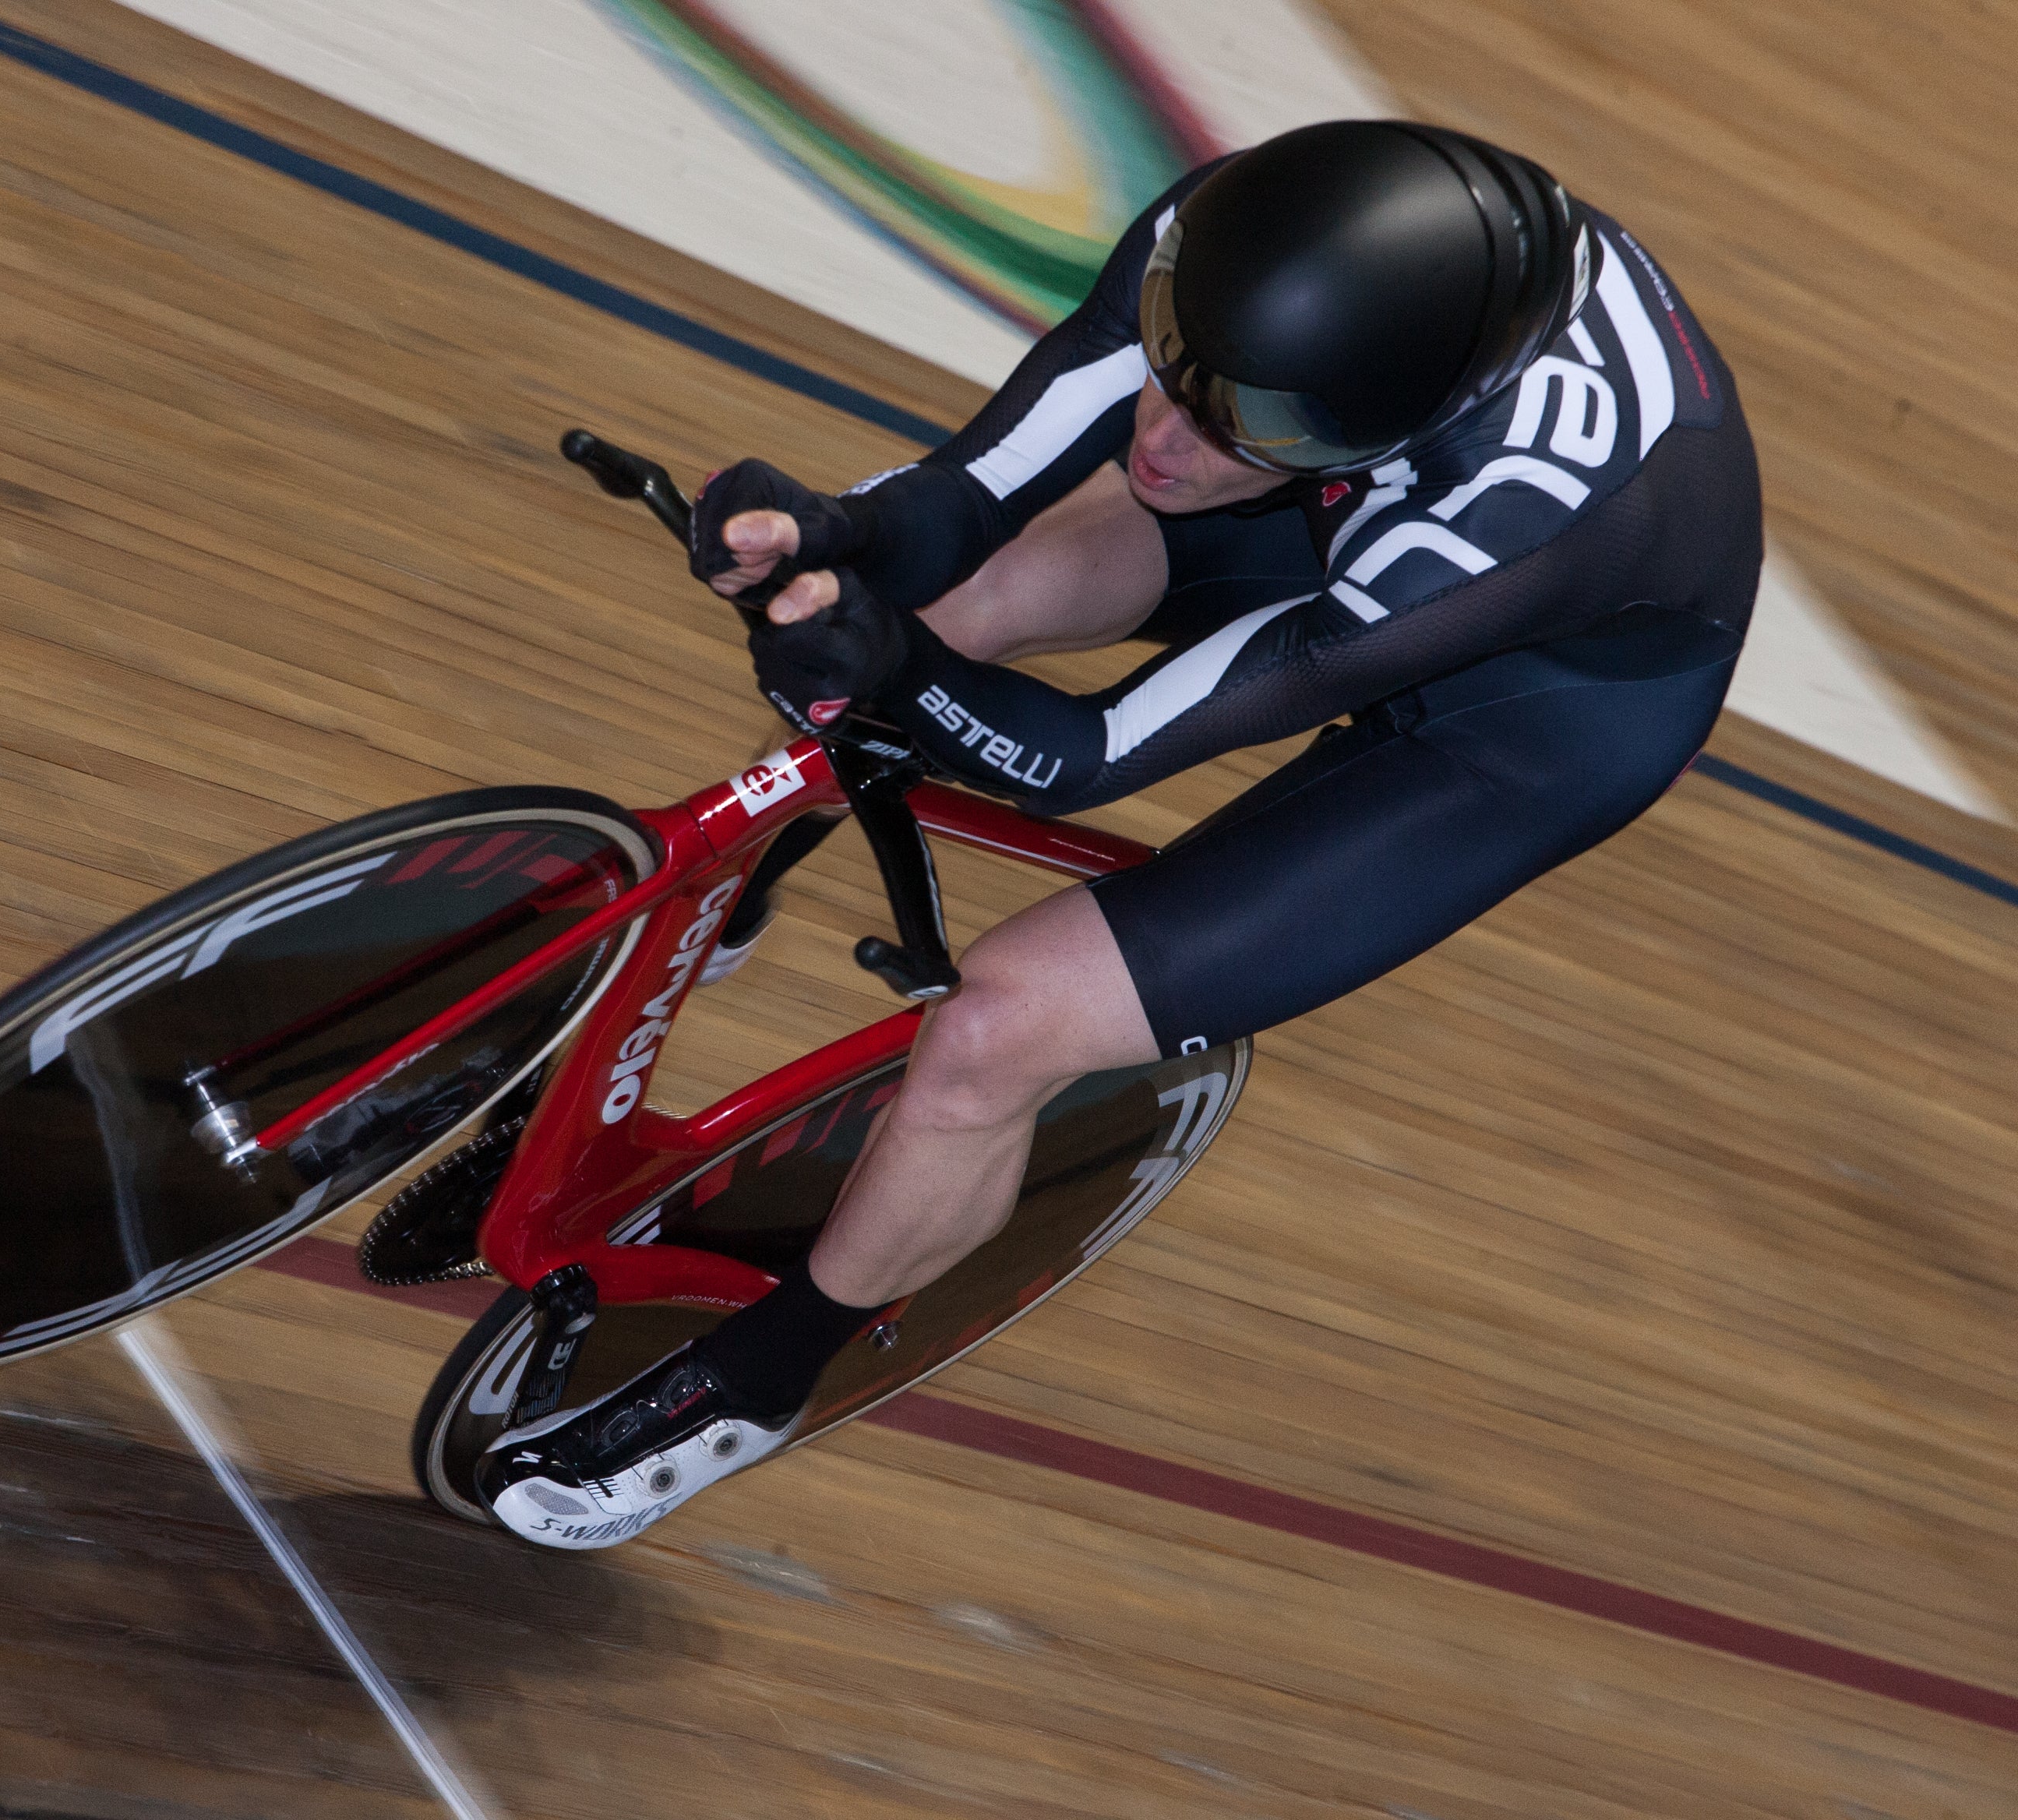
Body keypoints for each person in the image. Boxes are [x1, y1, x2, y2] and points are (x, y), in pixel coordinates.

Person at [482, 119, 1761, 1549]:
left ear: (1371, 427)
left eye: (1239, 423)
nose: (1160, 442)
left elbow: (1090, 756)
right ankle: (749, 881)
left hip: (1527, 721)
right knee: (970, 609)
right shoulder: (1246, 228)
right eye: (1181, 368)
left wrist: (892, 671)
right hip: (1337, 510)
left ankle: (755, 1387)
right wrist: (835, 537)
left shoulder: (1516, 514)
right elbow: (967, 502)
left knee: (998, 1029)